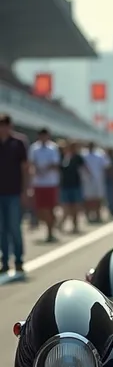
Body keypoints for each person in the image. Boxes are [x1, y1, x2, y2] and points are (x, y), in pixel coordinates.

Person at [0, 114, 29, 274]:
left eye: (5, 125)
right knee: (1, 229)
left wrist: (26, 190)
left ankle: (18, 259)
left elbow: (25, 168)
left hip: (14, 191)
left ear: (10, 126)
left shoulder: (18, 143)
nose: (2, 129)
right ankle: (4, 260)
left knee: (14, 227)